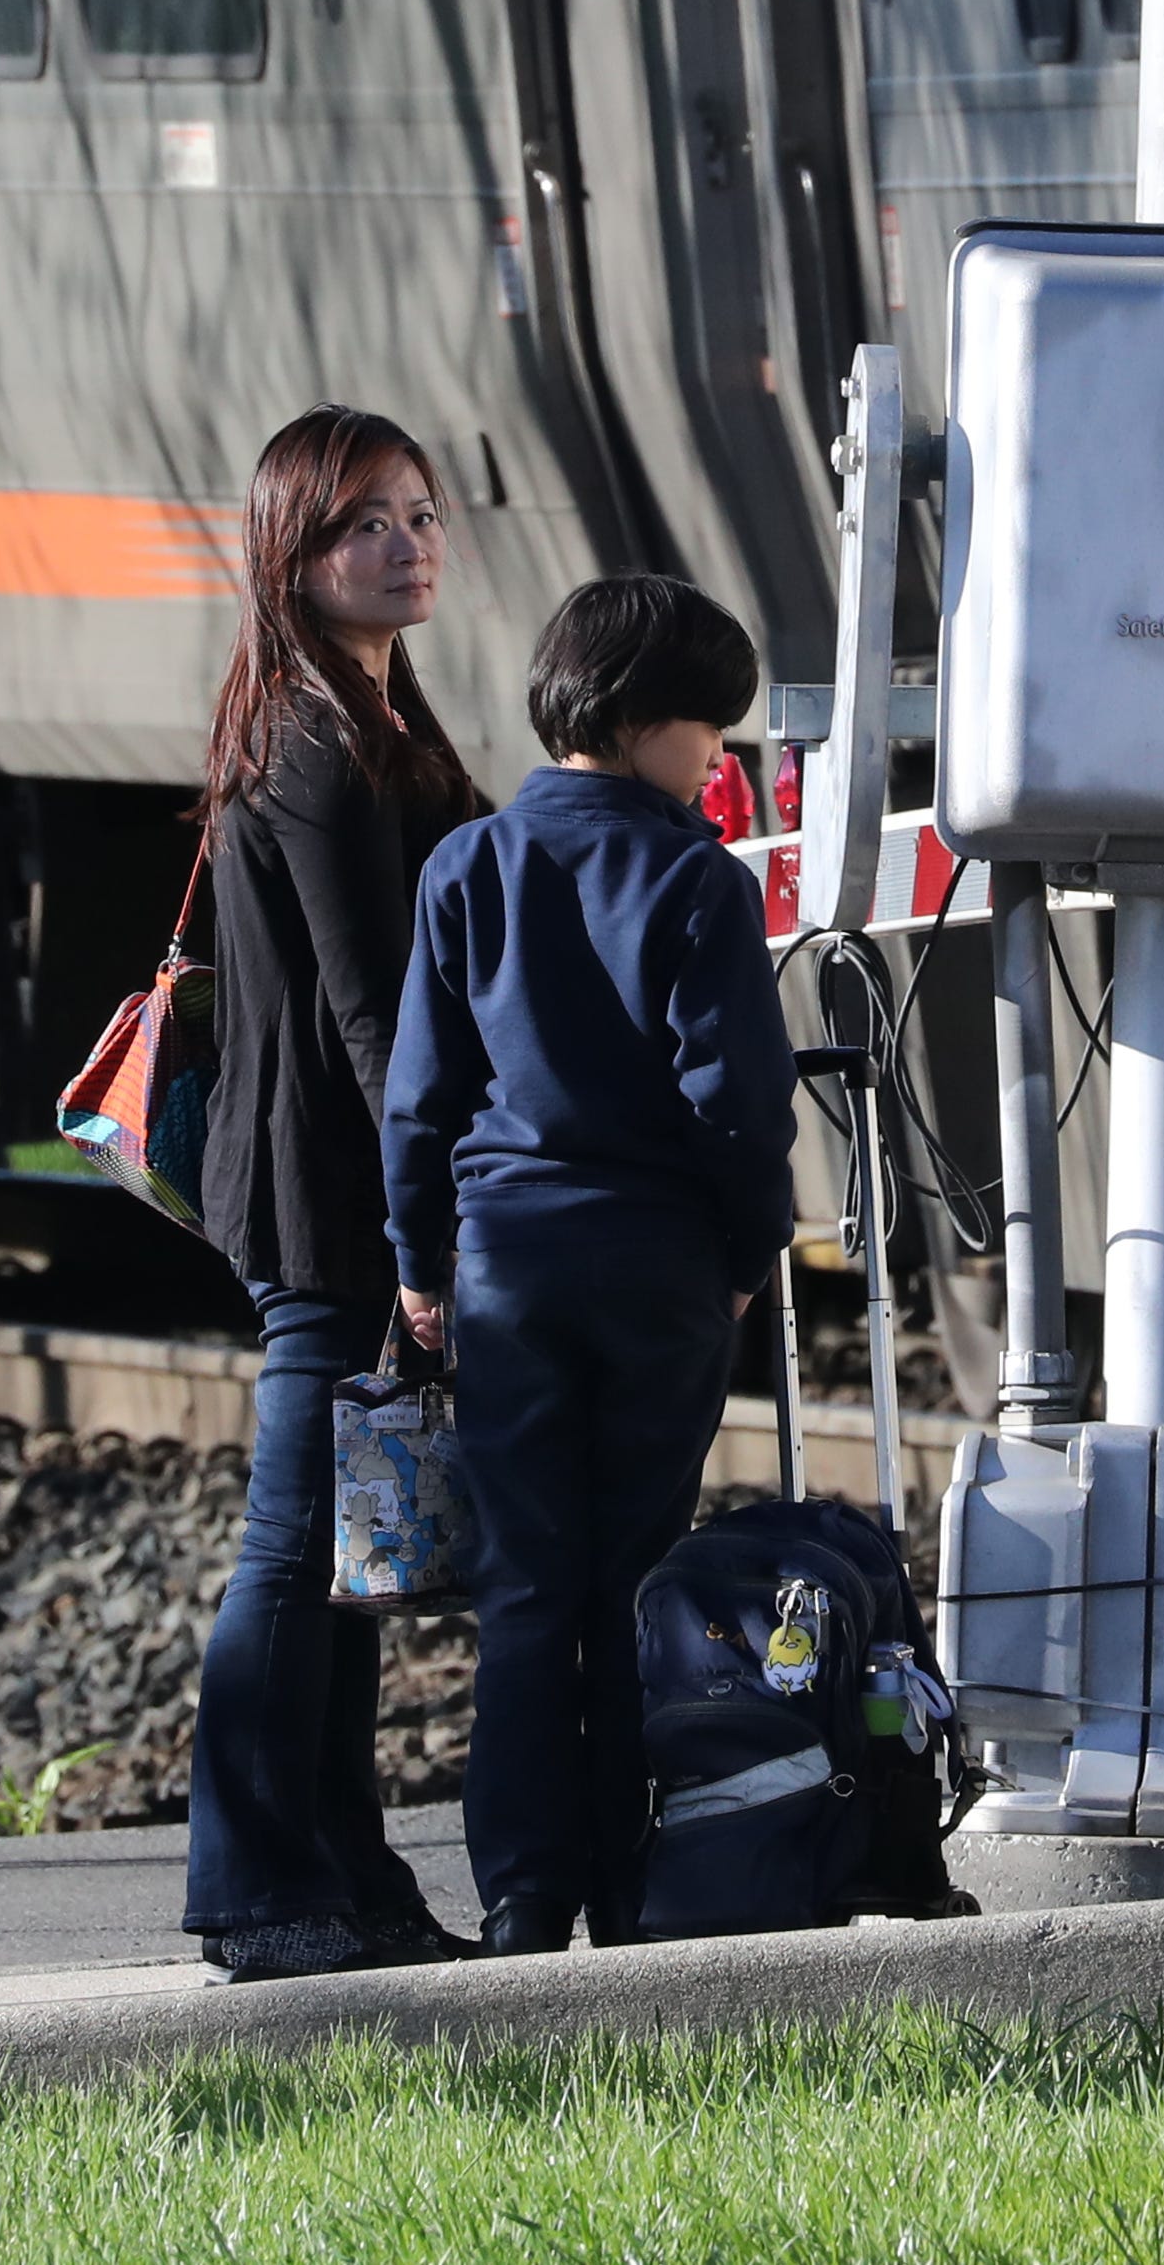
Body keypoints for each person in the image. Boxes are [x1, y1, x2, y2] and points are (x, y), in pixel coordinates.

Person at [383, 575, 796, 1956]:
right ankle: (632, 1883)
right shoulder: (695, 876)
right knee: (636, 1576)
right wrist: (750, 1250)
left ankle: (518, 1890)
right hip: (661, 1268)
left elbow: (420, 1100)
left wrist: (417, 1256)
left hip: (505, 1263)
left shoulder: (468, 866)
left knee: (523, 1590)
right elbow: (741, 1097)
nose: (718, 759)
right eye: (706, 727)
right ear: (634, 719)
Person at [184, 407, 490, 1982]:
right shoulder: (308, 741)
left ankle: (350, 1870)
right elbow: (375, 1012)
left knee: (350, 1561)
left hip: (352, 1179)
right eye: (365, 521)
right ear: (292, 555)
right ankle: (248, 1883)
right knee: (293, 1545)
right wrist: (427, 1218)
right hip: (327, 1186)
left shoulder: (388, 717)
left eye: (422, 514)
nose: (407, 542)